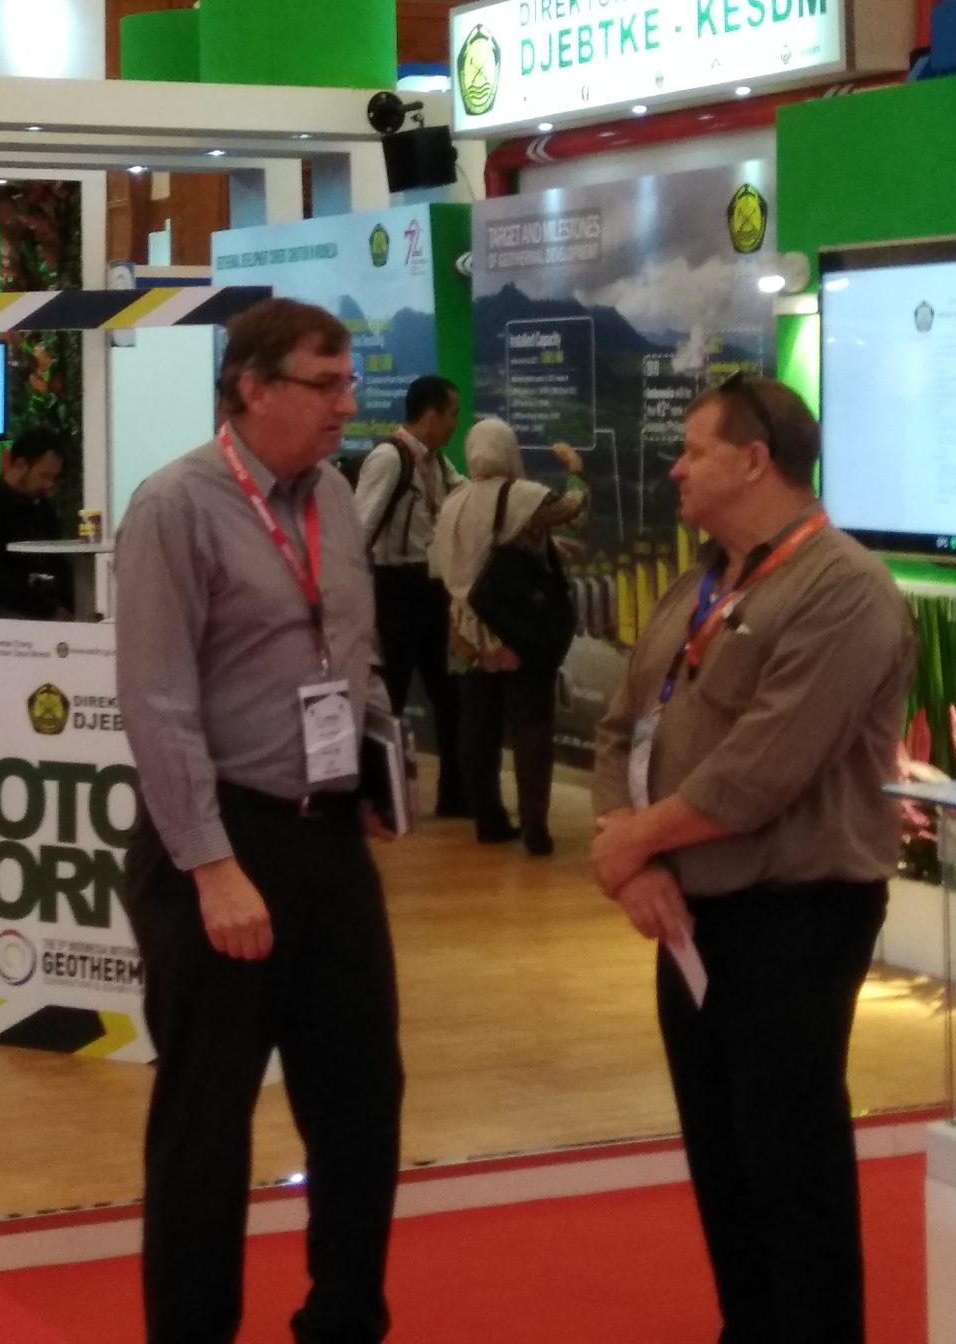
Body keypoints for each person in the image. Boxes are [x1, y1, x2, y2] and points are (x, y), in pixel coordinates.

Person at [590, 374, 914, 1344]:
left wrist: (631, 841)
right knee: (722, 1163)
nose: (676, 469)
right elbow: (620, 731)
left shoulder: (845, 590)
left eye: (694, 451)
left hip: (793, 921)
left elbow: (760, 773)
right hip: (688, 916)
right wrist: (638, 866)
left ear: (755, 461)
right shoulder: (700, 582)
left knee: (790, 1169)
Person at [116, 298, 403, 1344]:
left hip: (326, 838)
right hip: (220, 843)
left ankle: (344, 1319)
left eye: (348, 381)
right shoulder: (175, 506)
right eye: (324, 384)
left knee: (362, 1099)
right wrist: (211, 865)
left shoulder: (336, 496)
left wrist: (377, 765)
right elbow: (157, 703)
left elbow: (350, 652)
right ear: (252, 389)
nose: (346, 403)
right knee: (206, 1119)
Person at [430, 417, 588, 853]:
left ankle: (488, 819)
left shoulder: (454, 500)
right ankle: (535, 824)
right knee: (530, 725)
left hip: (464, 631)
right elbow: (574, 511)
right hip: (514, 627)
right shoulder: (524, 496)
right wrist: (576, 469)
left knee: (476, 727)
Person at [354, 374, 466, 817]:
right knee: (391, 696)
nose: (456, 423)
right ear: (431, 414)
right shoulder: (389, 458)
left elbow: (467, 496)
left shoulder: (439, 462)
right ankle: (380, 800)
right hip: (395, 588)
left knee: (450, 695)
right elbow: (360, 529)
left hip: (433, 589)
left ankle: (455, 795)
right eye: (453, 414)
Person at [0, 426, 74, 619]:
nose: (49, 485)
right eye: (44, 476)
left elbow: (58, 562)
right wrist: (48, 610)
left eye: (54, 478)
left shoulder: (43, 507)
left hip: (38, 606)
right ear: (21, 465)